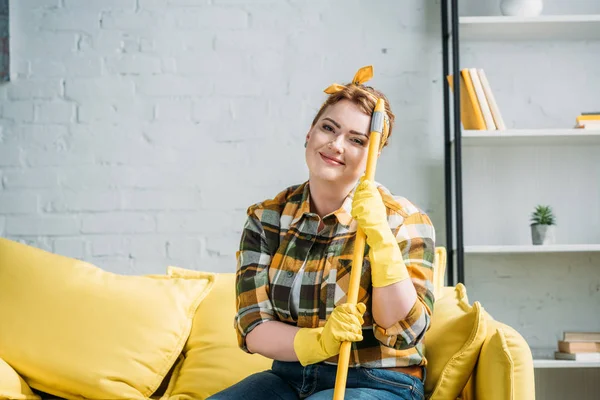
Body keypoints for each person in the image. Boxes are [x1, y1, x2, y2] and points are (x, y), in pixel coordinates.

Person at [208, 66, 435, 400]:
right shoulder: (267, 218)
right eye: (328, 128)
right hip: (288, 376)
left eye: (356, 140)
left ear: (373, 155)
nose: (336, 144)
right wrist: (318, 342)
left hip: (379, 381)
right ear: (309, 134)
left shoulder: (402, 219)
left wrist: (381, 239)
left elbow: (404, 331)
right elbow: (253, 326)